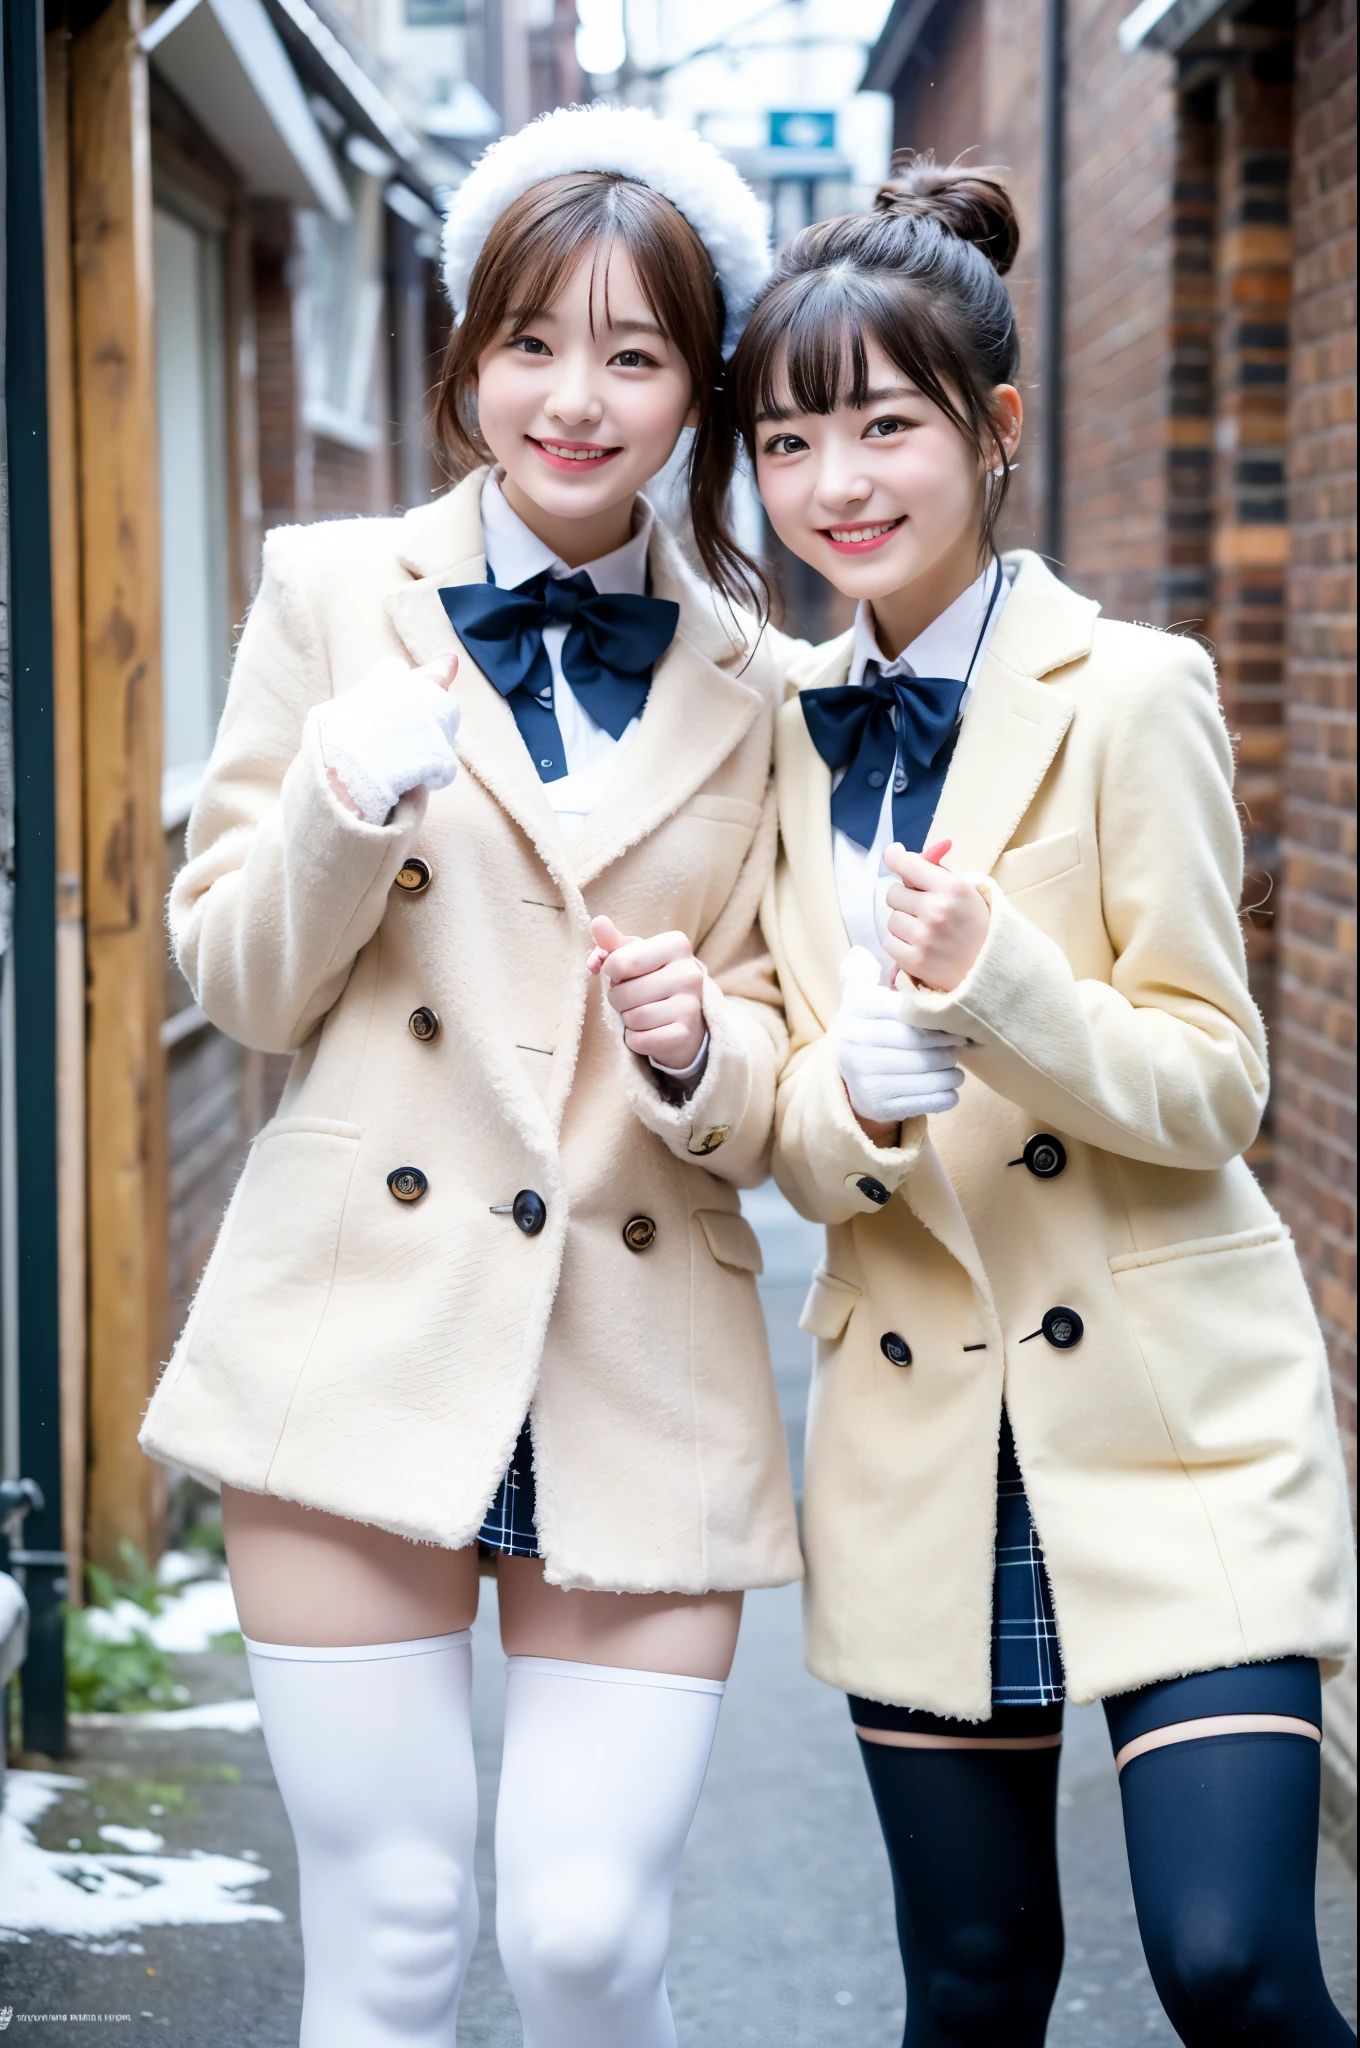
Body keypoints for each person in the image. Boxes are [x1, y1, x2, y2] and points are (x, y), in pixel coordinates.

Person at [140, 104, 802, 2048]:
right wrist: (348, 800)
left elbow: (779, 1060)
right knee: (401, 1928)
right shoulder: (331, 591)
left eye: (631, 351)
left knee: (589, 1939)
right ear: (464, 356)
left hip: (636, 1353)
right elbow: (245, 986)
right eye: (530, 341)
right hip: (356, 1329)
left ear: (696, 384)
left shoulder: (765, 681)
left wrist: (705, 1049)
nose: (571, 399)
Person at [734, 157, 1357, 2047]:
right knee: (976, 1979)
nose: (834, 484)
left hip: (1176, 1418)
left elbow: (1216, 1081)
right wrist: (843, 1094)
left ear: (994, 431)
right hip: (922, 1427)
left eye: (884, 427)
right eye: (784, 439)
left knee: (1235, 1962)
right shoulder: (776, 730)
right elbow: (787, 1126)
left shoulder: (1134, 691)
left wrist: (999, 988)